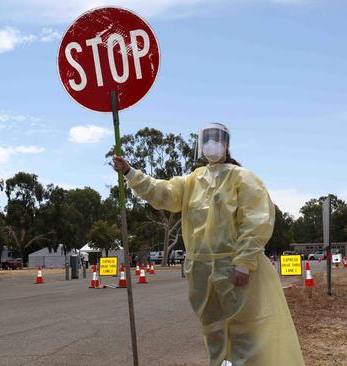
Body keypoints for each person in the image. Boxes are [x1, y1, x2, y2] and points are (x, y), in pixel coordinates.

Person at [113, 123, 304, 366]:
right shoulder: (193, 181)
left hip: (234, 269)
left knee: (243, 331)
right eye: (207, 139)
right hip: (202, 272)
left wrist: (244, 262)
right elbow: (162, 193)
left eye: (217, 138)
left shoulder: (243, 178)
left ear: (227, 144)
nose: (211, 144)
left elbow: (256, 220)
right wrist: (131, 172)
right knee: (213, 332)